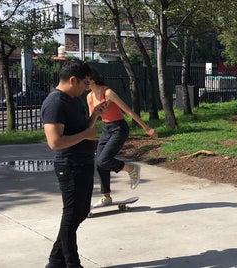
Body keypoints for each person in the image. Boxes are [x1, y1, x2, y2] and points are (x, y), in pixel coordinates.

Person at [41, 59, 109, 268]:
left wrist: (94, 116)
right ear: (73, 80)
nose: (87, 88)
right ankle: (72, 263)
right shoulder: (55, 103)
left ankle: (55, 260)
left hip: (83, 163)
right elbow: (55, 142)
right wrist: (86, 134)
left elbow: (82, 131)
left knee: (79, 213)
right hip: (69, 166)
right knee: (71, 217)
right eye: (85, 83)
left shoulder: (72, 99)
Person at [87, 68, 158, 207]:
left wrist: (147, 128)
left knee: (103, 160)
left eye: (85, 80)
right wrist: (87, 138)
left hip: (119, 128)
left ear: (92, 80)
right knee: (99, 164)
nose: (83, 83)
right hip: (106, 129)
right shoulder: (89, 97)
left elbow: (129, 111)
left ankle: (131, 169)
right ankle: (106, 197)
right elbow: (92, 120)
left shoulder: (107, 93)